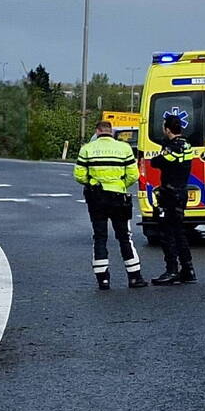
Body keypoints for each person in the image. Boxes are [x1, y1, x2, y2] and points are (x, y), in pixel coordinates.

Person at [74, 120, 147, 290]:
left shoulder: (87, 149)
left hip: (96, 198)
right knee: (124, 237)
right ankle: (135, 277)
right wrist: (120, 184)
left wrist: (92, 182)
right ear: (111, 131)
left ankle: (103, 280)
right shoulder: (124, 148)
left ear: (97, 131)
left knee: (100, 237)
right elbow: (133, 175)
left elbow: (78, 175)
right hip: (118, 197)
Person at [150, 114, 197, 285]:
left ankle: (171, 270)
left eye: (164, 127)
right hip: (181, 192)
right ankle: (188, 269)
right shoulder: (186, 145)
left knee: (166, 233)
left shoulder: (172, 148)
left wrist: (162, 152)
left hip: (170, 194)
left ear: (168, 129)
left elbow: (157, 162)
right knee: (179, 232)